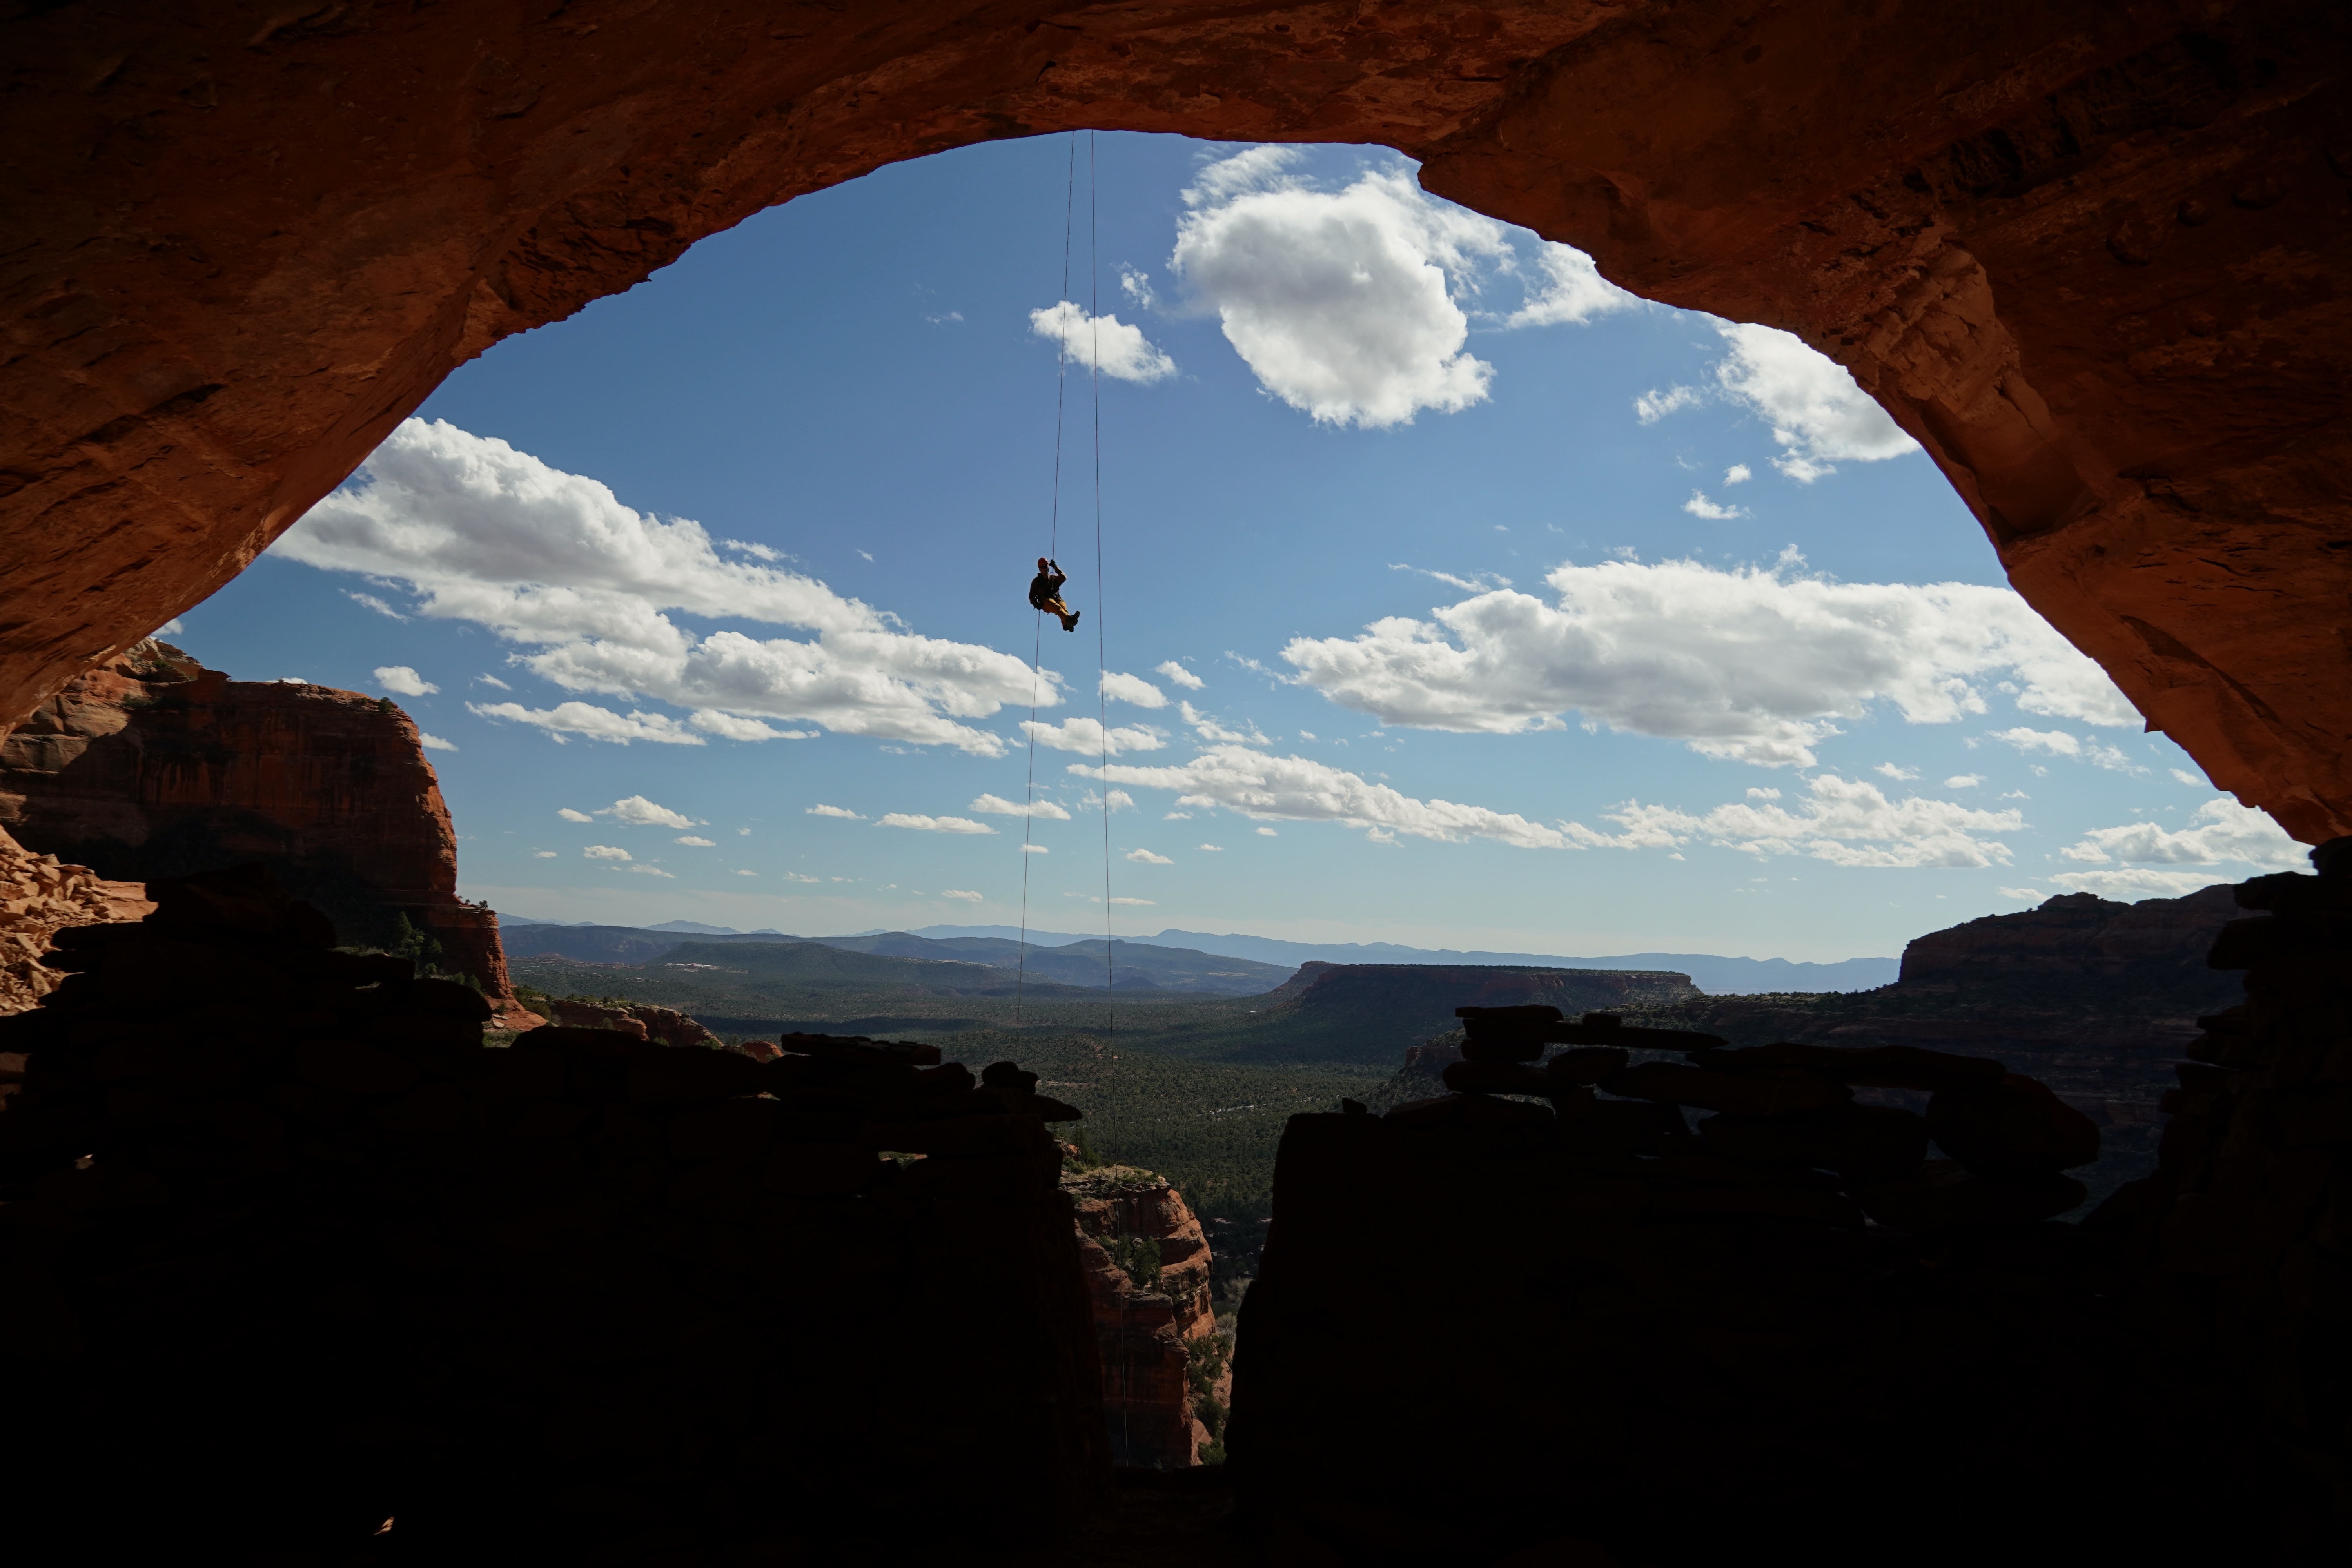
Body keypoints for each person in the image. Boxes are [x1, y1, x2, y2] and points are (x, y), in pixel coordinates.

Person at [1027, 556, 1080, 632]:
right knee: (1057, 608)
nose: (1044, 569)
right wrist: (1036, 604)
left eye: (1045, 567)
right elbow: (1031, 596)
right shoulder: (1037, 581)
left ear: (1048, 568)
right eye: (1042, 568)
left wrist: (1056, 567)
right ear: (1040, 569)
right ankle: (1070, 619)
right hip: (1046, 601)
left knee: (1063, 607)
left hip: (1057, 598)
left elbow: (1063, 577)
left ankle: (1067, 625)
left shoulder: (1053, 579)